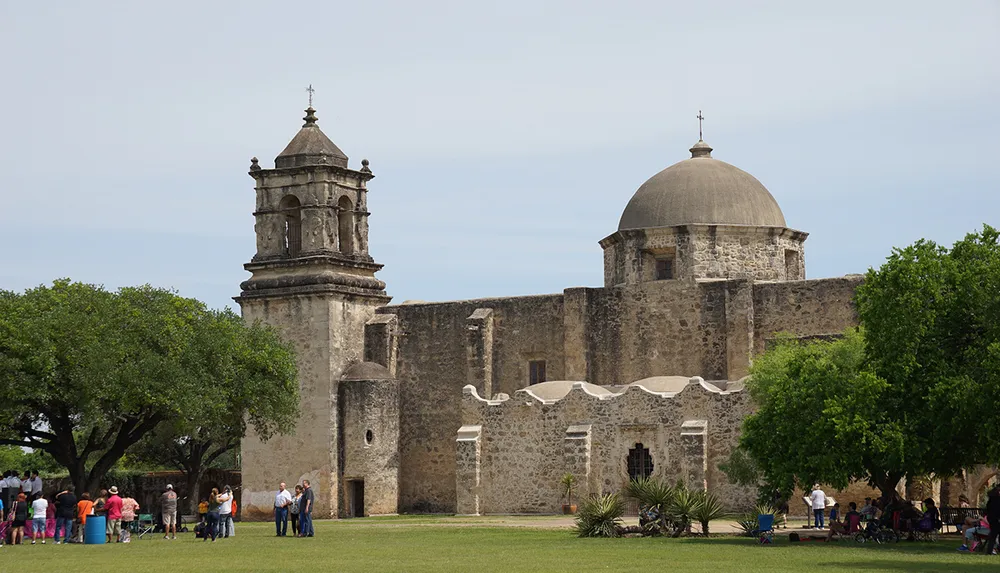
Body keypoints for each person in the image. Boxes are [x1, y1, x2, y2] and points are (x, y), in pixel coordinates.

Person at [984, 485, 1000, 555]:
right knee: (994, 536)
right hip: (996, 519)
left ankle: (989, 551)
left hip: (992, 519)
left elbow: (988, 509)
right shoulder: (996, 500)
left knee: (993, 536)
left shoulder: (991, 499)